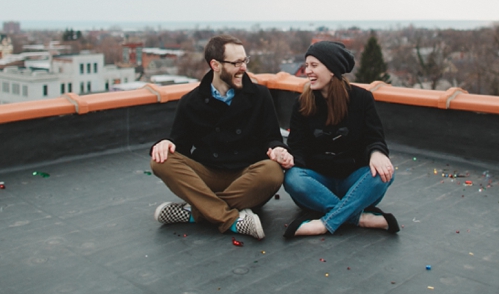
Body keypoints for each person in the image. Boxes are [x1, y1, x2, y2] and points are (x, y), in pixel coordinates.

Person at [150, 34, 293, 240]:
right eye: (236, 63)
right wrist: (167, 143)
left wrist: (278, 149)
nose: (243, 67)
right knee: (160, 162)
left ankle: (196, 212)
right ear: (215, 65)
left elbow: (271, 138)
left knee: (272, 172)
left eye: (245, 60)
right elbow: (180, 147)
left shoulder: (260, 95)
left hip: (247, 177)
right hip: (208, 176)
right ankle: (231, 219)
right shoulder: (191, 102)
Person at [283, 41, 399, 238]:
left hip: (353, 181)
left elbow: (374, 137)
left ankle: (325, 223)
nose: (307, 71)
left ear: (332, 69)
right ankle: (358, 217)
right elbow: (297, 147)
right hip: (317, 184)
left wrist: (377, 153)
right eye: (307, 65)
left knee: (385, 173)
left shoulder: (362, 99)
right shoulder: (302, 103)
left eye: (314, 65)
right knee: (292, 179)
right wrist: (290, 160)